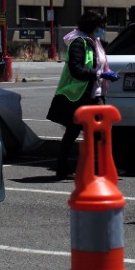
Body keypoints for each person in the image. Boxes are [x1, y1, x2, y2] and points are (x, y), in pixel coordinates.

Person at [46, 10, 120, 178]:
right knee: (80, 132)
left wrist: (106, 73)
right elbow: (77, 70)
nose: (103, 29)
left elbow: (99, 63)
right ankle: (80, 167)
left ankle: (92, 167)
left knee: (96, 131)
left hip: (95, 94)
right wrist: (101, 74)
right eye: (101, 26)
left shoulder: (96, 42)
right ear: (92, 26)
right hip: (79, 95)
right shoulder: (79, 43)